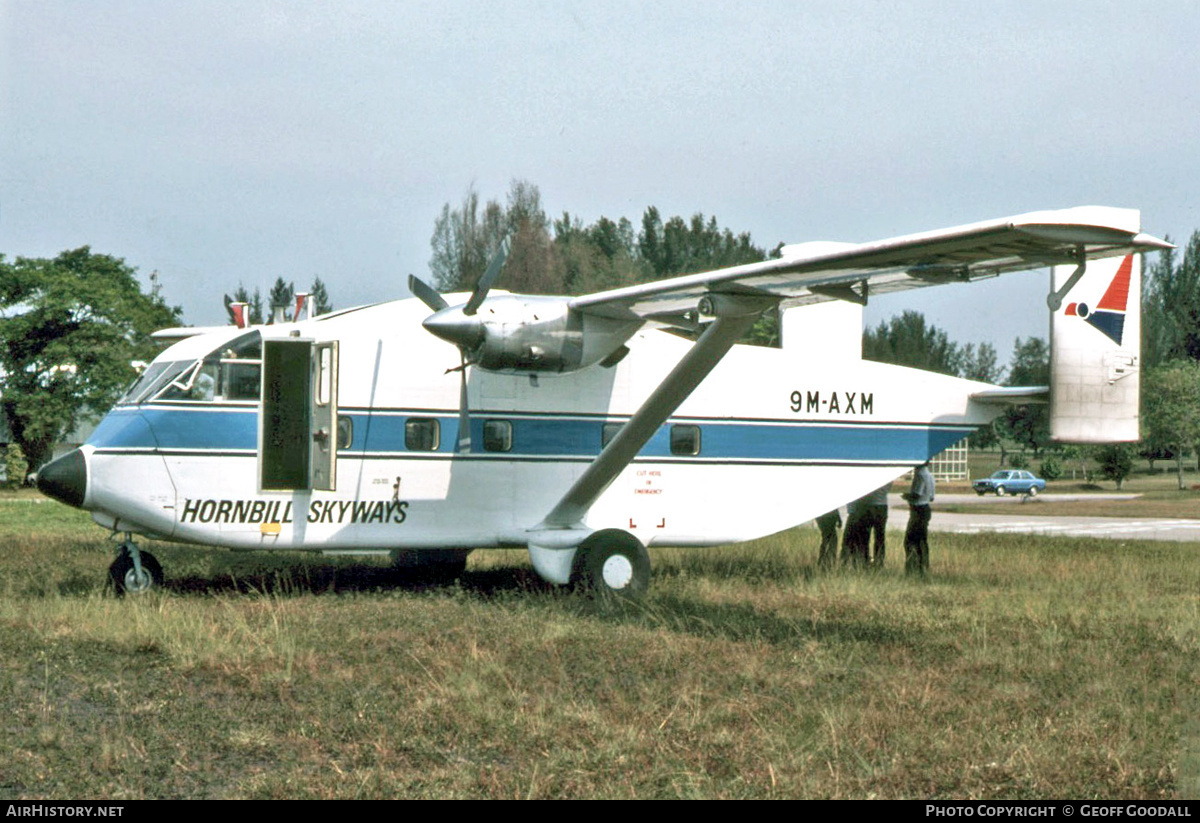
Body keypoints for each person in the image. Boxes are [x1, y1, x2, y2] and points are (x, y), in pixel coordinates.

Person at [902, 461, 935, 575]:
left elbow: (917, 494)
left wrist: (906, 497)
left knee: (910, 541)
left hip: (918, 509)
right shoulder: (930, 475)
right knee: (922, 541)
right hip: (926, 508)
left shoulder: (919, 474)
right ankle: (924, 567)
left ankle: (912, 568)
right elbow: (931, 497)